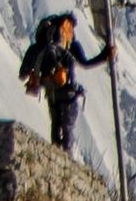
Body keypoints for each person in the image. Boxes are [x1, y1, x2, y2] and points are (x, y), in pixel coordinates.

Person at [20, 11, 109, 153]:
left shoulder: (40, 47)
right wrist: (106, 55)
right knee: (68, 129)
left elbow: (22, 73)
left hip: (51, 93)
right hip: (68, 93)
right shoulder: (70, 45)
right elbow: (85, 63)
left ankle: (56, 155)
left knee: (55, 125)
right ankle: (66, 159)